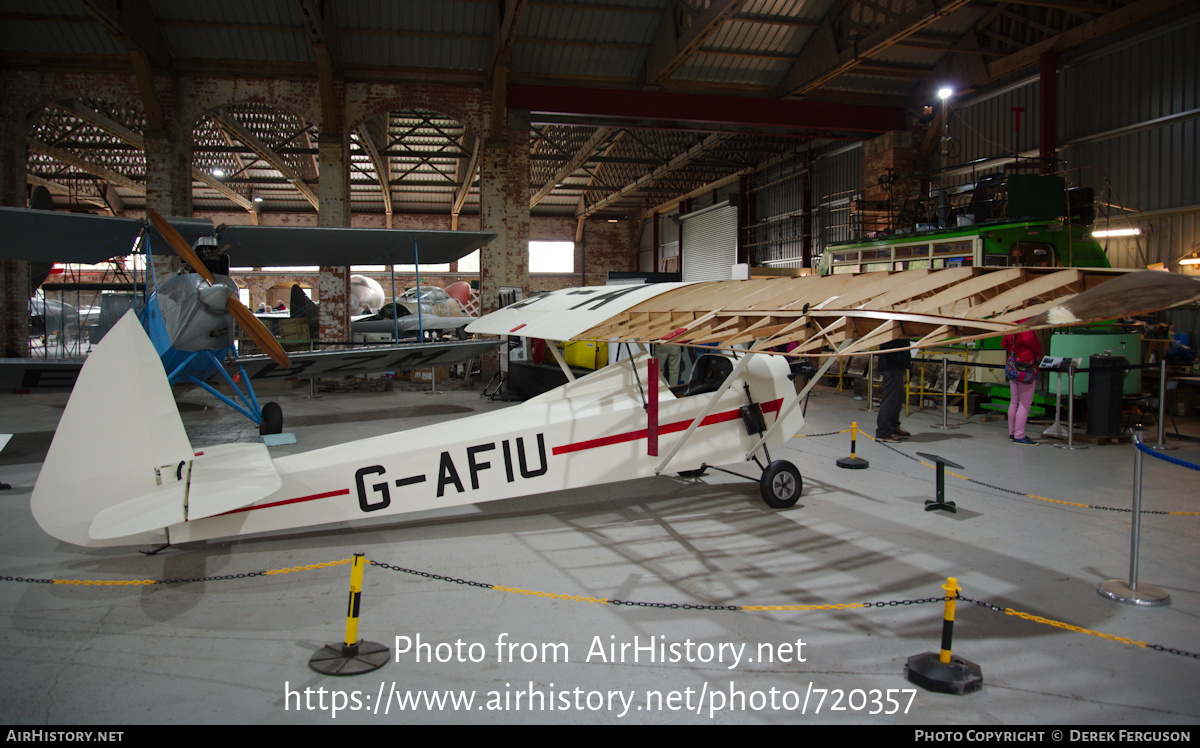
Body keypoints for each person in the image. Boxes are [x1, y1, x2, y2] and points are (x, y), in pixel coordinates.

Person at [1002, 326, 1042, 445]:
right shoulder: (1027, 325)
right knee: (1024, 404)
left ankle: (1012, 433)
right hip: (1026, 364)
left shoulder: (1011, 323)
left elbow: (1004, 342)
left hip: (1013, 364)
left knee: (1014, 402)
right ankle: (1019, 435)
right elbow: (1032, 342)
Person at [875, 338, 911, 443]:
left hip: (897, 366)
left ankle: (893, 427)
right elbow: (888, 347)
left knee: (898, 399)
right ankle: (883, 433)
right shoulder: (890, 328)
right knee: (890, 400)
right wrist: (902, 358)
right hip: (891, 366)